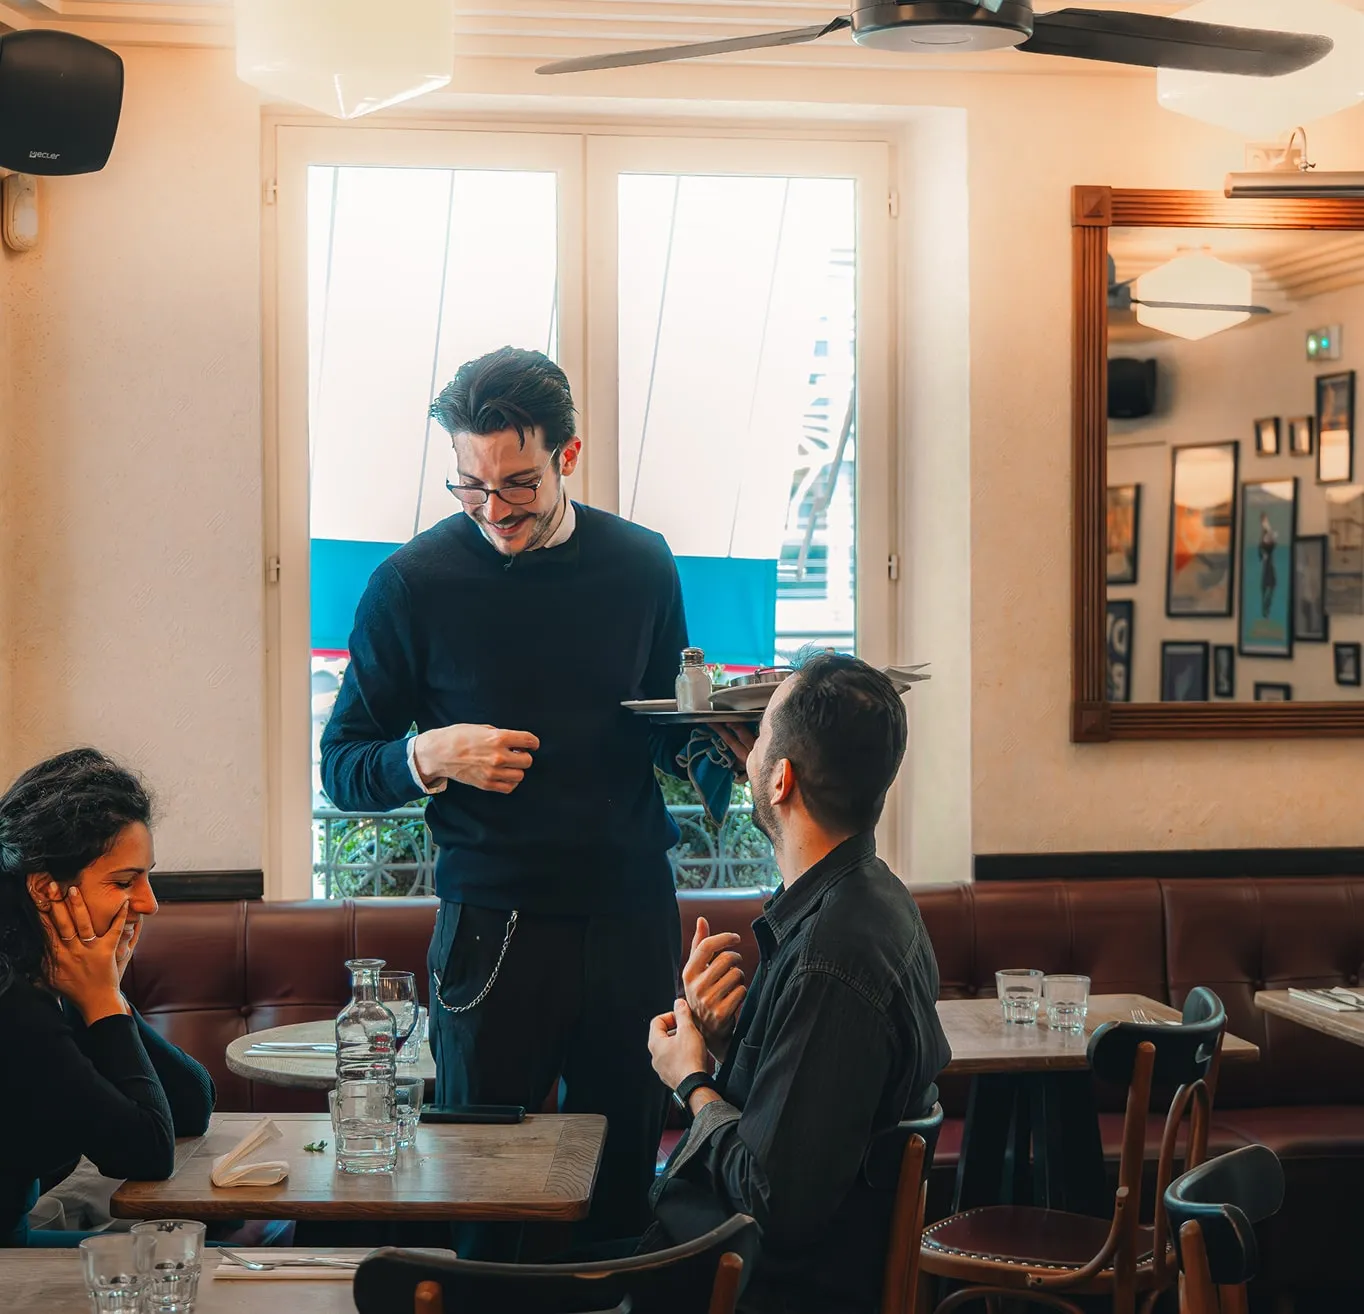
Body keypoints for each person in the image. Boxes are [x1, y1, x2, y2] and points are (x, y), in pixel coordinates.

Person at [320, 346, 741, 1252]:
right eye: (471, 487)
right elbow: (343, 766)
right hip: (493, 922)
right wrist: (429, 755)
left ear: (569, 457)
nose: (494, 510)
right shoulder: (410, 584)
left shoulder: (643, 565)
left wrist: (729, 755)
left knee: (626, 1174)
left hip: (630, 909)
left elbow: (664, 724)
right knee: (484, 1186)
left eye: (517, 484)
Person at [646, 654, 950, 1314]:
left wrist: (690, 1078)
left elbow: (773, 1199)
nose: (747, 755)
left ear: (781, 780)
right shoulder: (876, 899)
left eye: (759, 741)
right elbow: (815, 1111)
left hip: (766, 1290)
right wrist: (731, 1043)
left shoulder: (834, 957)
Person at [0, 749, 215, 1247]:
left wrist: (103, 996)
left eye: (146, 876)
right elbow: (146, 1153)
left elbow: (191, 1103)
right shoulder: (12, 1002)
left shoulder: (42, 975)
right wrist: (100, 1000)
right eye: (123, 881)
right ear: (43, 889)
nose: (149, 903)